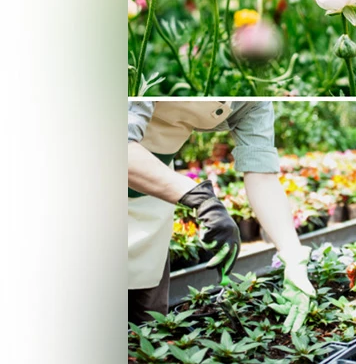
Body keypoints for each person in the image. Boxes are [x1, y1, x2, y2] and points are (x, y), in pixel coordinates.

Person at [127, 101, 315, 332]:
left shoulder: (253, 102)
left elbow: (262, 174)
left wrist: (293, 255)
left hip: (155, 188)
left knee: (146, 325)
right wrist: (200, 198)